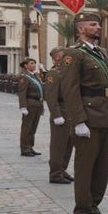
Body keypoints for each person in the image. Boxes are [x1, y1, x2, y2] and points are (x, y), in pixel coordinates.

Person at [60, 12, 108, 214]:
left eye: (98, 24)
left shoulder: (102, 53)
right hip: (88, 115)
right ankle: (82, 211)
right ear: (80, 29)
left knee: (102, 166)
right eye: (93, 24)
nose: (98, 27)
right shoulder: (73, 54)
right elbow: (69, 89)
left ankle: (94, 205)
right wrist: (78, 120)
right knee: (85, 167)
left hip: (107, 113)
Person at [43, 47, 74, 185]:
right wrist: (56, 115)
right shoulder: (54, 73)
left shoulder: (67, 72)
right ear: (56, 57)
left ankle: (62, 169)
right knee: (58, 145)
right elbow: (50, 96)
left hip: (71, 112)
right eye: (64, 55)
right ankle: (55, 173)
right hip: (61, 112)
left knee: (68, 144)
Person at [17, 58, 44, 157]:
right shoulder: (24, 77)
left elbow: (44, 86)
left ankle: (30, 147)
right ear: (25, 65)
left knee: (33, 128)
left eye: (35, 63)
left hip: (37, 104)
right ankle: (24, 148)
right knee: (27, 128)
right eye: (32, 63)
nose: (34, 65)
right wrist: (23, 106)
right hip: (30, 104)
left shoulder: (35, 76)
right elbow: (22, 93)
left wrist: (44, 71)